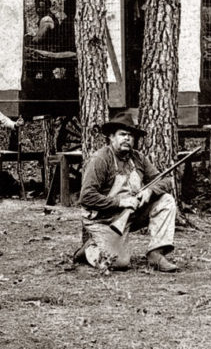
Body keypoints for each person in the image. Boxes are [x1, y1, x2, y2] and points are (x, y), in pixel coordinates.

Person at [76, 110, 179, 272]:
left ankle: (156, 254)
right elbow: (86, 197)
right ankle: (90, 249)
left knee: (166, 200)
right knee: (119, 263)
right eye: (122, 134)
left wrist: (150, 191)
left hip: (130, 214)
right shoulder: (100, 159)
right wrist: (122, 202)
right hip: (103, 219)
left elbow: (165, 180)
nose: (127, 138)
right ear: (111, 137)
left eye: (130, 136)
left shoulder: (138, 158)